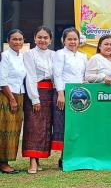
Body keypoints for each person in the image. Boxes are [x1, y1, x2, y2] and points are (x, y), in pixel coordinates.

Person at [22, 26, 55, 174]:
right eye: (39, 37)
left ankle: (40, 157)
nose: (42, 40)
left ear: (50, 40)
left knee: (46, 126)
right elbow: (30, 76)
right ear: (34, 38)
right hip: (35, 91)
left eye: (45, 37)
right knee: (34, 125)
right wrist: (35, 98)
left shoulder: (54, 54)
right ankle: (32, 160)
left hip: (51, 92)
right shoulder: (29, 54)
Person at [53, 27, 88, 166]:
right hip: (66, 93)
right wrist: (60, 94)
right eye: (69, 39)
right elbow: (57, 74)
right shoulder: (60, 54)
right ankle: (64, 157)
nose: (72, 42)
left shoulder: (83, 56)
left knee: (79, 126)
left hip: (81, 94)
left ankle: (77, 155)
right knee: (66, 125)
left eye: (75, 39)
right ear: (63, 40)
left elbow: (84, 75)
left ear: (79, 41)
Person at [0, 29, 27, 174]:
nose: (17, 42)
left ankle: (7, 161)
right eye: (14, 39)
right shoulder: (5, 56)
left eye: (20, 39)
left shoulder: (21, 57)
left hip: (20, 94)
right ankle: (3, 163)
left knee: (15, 130)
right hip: (7, 96)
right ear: (8, 41)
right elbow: (2, 79)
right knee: (5, 130)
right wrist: (11, 99)